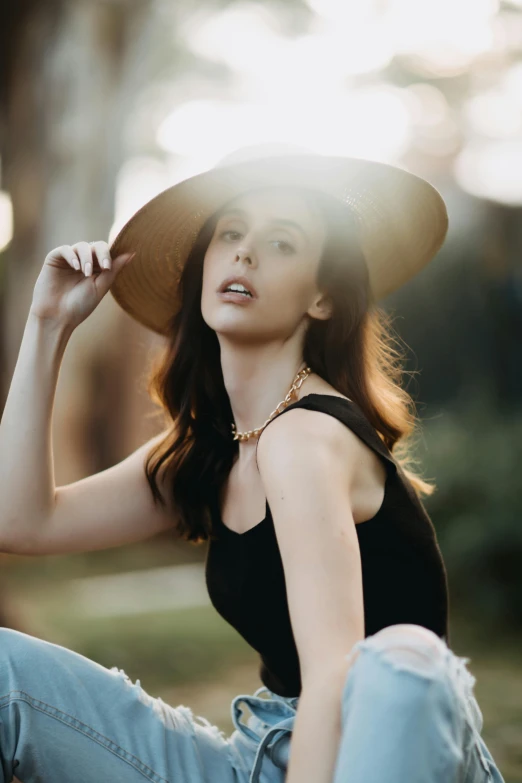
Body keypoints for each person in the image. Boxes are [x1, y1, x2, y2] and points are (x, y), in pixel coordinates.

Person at [0, 144, 505, 783]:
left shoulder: (304, 436)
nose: (244, 252)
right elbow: (20, 522)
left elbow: (334, 674)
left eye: (283, 243)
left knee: (402, 658)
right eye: (231, 232)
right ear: (204, 264)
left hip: (373, 754)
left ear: (321, 297)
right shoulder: (211, 446)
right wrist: (48, 326)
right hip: (258, 757)